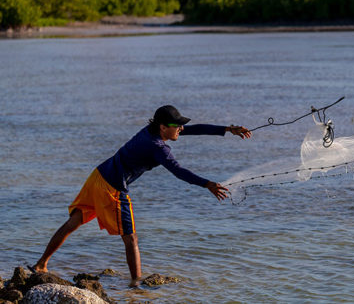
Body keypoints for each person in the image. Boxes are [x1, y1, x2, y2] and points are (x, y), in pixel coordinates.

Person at [30, 105, 251, 287]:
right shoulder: (158, 147)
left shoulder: (153, 131)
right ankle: (136, 285)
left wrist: (228, 129)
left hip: (98, 176)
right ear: (163, 127)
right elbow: (178, 171)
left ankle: (41, 264)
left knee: (74, 221)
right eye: (176, 126)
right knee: (131, 238)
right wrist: (208, 184)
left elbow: (192, 129)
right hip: (112, 187)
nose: (181, 129)